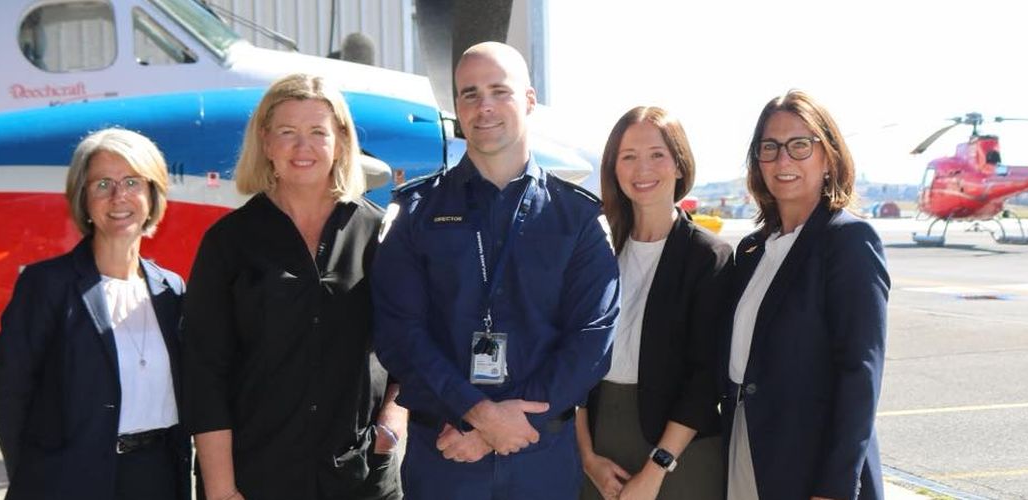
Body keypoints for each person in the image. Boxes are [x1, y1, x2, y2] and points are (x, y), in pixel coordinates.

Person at [371, 41, 620, 499]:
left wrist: (500, 426)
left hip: (538, 456)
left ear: (528, 100)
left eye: (498, 91)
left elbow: (592, 339)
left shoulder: (577, 218)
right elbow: (399, 333)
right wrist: (480, 414)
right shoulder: (415, 212)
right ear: (457, 108)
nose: (484, 106)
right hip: (445, 452)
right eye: (469, 93)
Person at [179, 73, 403, 500]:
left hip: (360, 479)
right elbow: (203, 374)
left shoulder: (379, 233)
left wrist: (390, 426)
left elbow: (411, 346)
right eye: (287, 132)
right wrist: (222, 490)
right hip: (256, 480)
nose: (303, 147)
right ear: (265, 142)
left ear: (340, 140)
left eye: (317, 132)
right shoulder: (228, 241)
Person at [0, 127, 191, 500]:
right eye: (102, 184)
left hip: (158, 478)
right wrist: (34, 478)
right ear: (84, 198)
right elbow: (9, 395)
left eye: (132, 181)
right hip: (69, 482)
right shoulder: (46, 285)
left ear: (152, 193)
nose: (118, 196)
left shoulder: (173, 290)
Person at [720, 89, 890, 500]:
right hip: (748, 448)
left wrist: (835, 486)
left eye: (800, 146)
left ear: (828, 155)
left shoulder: (847, 240)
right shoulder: (752, 250)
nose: (783, 160)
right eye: (770, 148)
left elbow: (860, 374)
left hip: (815, 469)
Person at [576, 106, 731, 500]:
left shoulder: (708, 257)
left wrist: (657, 468)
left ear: (680, 166)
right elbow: (571, 357)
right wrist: (586, 456)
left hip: (678, 451)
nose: (642, 168)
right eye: (628, 157)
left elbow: (705, 378)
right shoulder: (596, 249)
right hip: (599, 444)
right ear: (614, 168)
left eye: (657, 154)